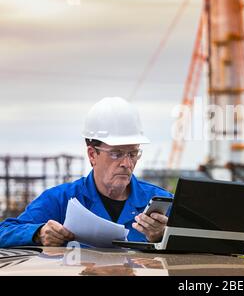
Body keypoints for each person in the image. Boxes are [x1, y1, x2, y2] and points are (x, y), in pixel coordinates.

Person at [0, 97, 173, 248]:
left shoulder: (164, 203)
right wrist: (38, 233)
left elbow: (197, 247)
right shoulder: (61, 200)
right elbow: (4, 232)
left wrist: (163, 236)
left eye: (133, 154)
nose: (127, 163)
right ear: (92, 155)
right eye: (116, 154)